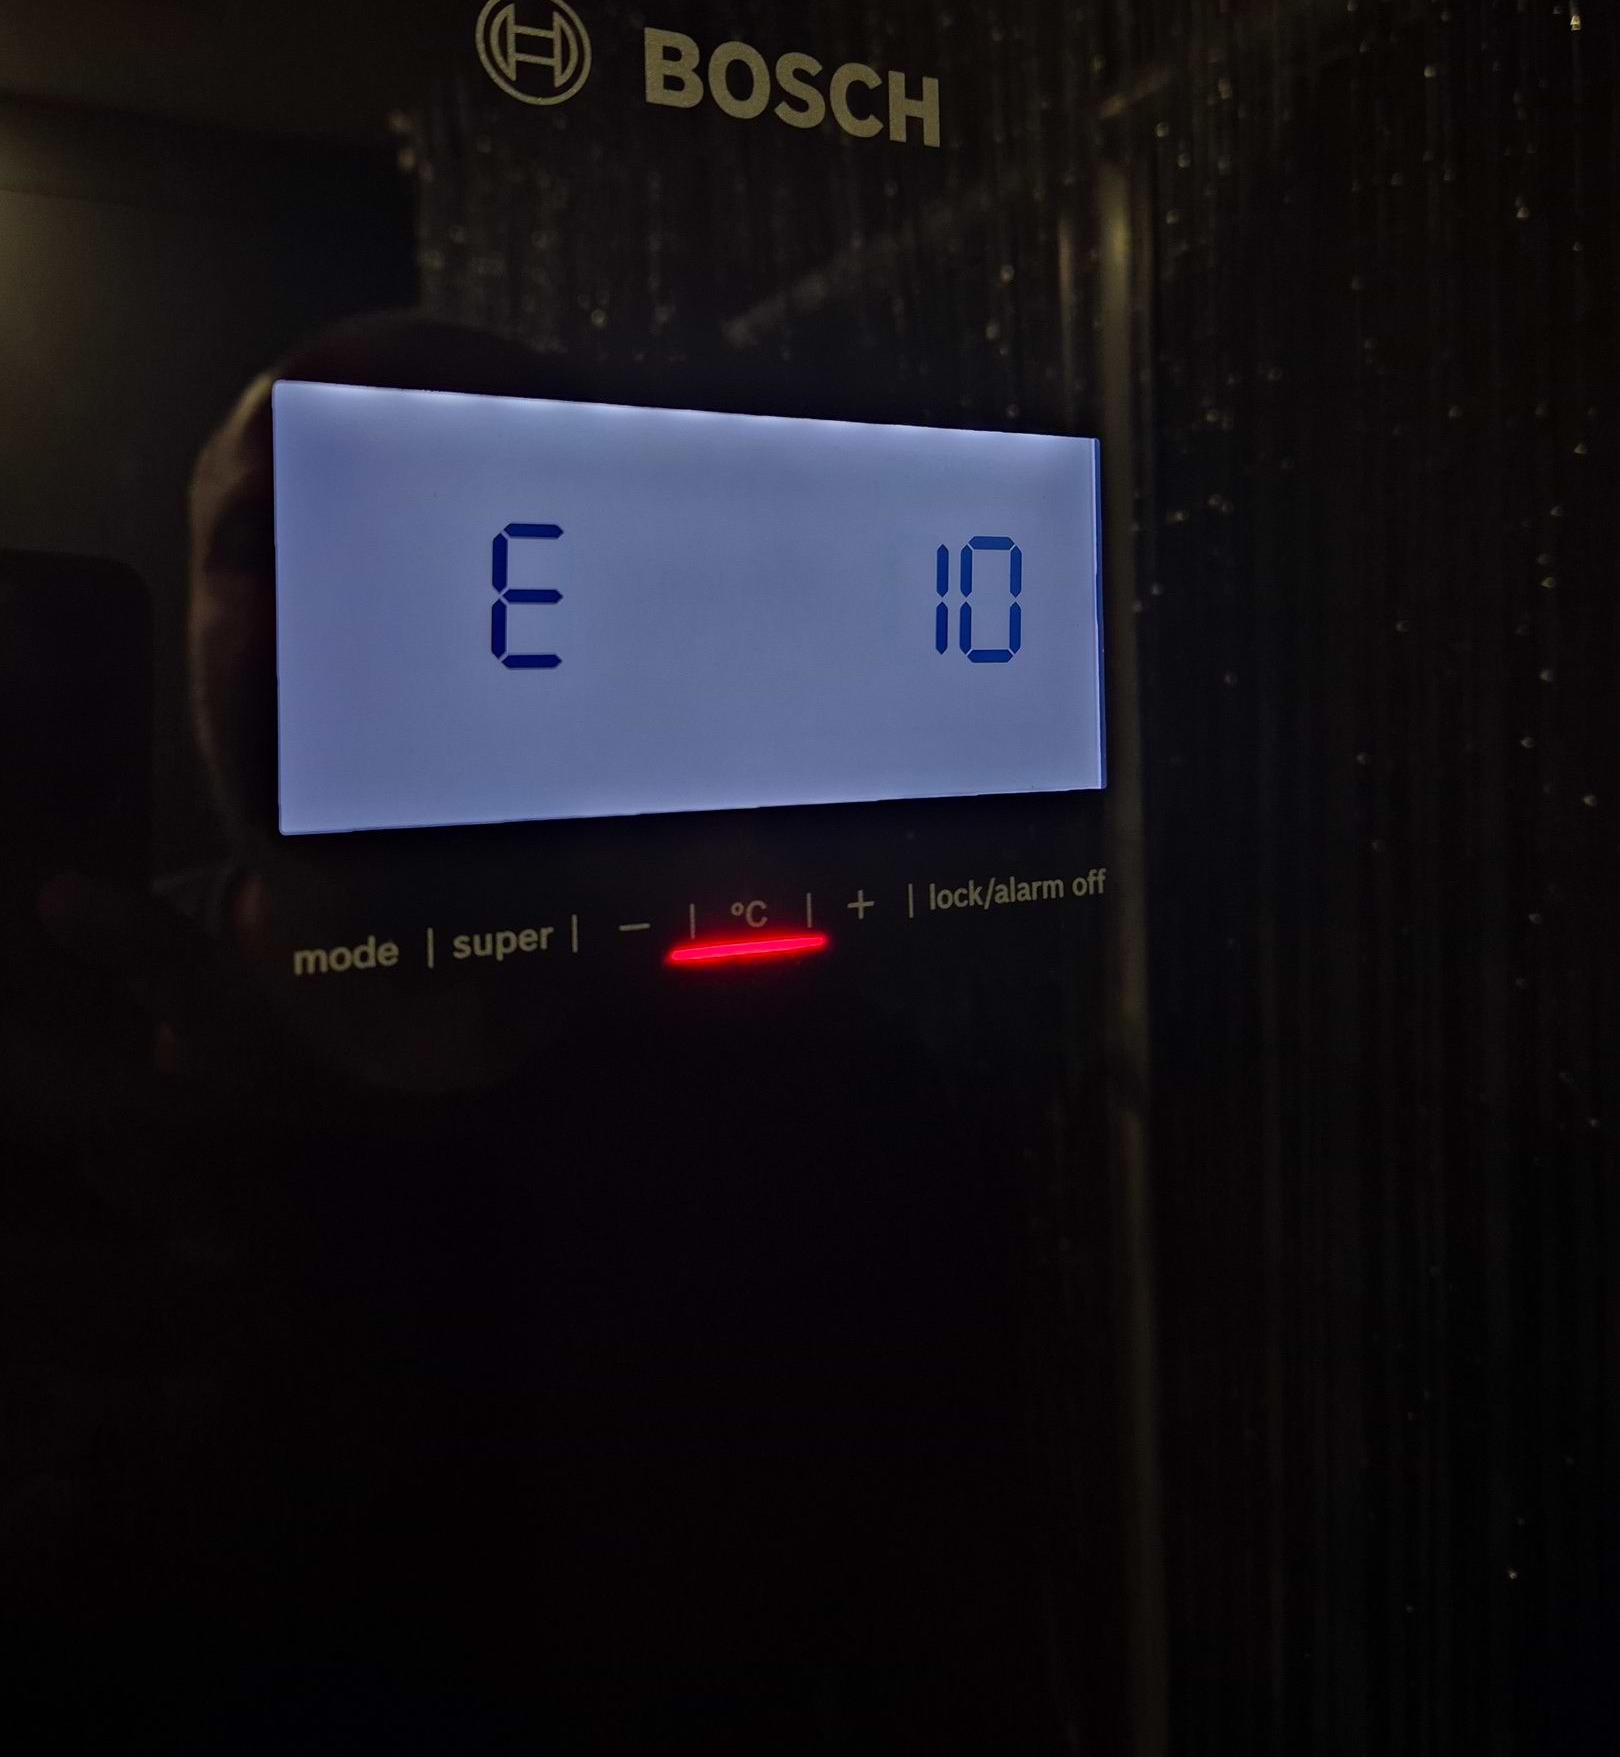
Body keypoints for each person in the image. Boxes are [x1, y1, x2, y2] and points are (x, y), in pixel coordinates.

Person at [9, 314, 1053, 1752]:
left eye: (443, 527)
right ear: (187, 604)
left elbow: (919, 1632)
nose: (349, 598)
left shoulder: (829, 1111)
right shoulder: (64, 1063)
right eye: (265, 537)